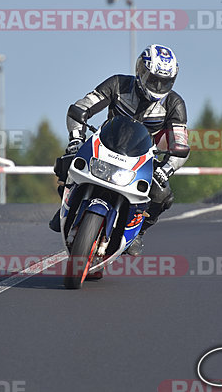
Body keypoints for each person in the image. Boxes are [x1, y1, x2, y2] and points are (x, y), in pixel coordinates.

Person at [49, 44, 190, 256]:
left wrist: (167, 168)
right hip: (105, 145)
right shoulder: (118, 84)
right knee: (67, 160)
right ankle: (67, 204)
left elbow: (180, 141)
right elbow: (82, 106)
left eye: (165, 82)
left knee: (162, 194)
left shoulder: (174, 103)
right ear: (141, 72)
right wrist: (76, 139)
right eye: (153, 79)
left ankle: (139, 231)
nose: (158, 86)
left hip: (143, 157)